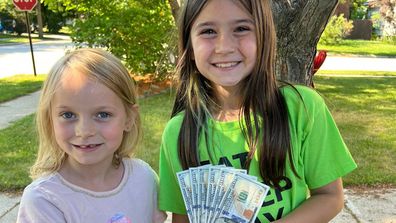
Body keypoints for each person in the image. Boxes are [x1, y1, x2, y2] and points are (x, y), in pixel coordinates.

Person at [158, 0, 357, 222]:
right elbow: (183, 217)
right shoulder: (177, 133)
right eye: (208, 31)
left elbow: (330, 197)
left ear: (264, 37)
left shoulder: (302, 108)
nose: (224, 46)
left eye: (241, 28)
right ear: (190, 48)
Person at [17, 48, 167, 223]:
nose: (84, 131)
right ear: (49, 119)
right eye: (68, 115)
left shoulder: (143, 178)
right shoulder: (44, 200)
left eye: (103, 114)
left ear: (128, 119)